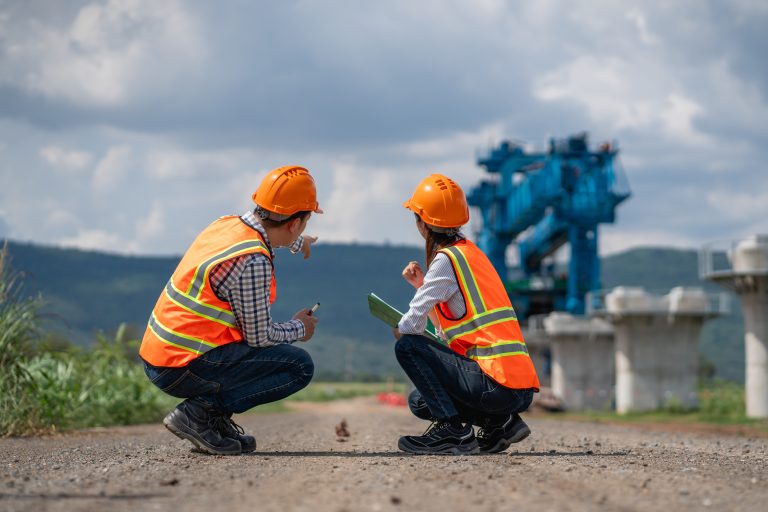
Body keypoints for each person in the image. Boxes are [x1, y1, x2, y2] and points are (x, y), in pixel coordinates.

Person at [139, 165, 322, 455]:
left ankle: (210, 420)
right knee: (299, 366)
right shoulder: (253, 261)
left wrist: (299, 242)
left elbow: (273, 231)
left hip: (159, 356)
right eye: (305, 223)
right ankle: (199, 413)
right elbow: (259, 337)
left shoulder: (225, 224)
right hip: (183, 366)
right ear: (295, 223)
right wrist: (301, 328)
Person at [394, 174, 540, 455]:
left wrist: (400, 324)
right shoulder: (473, 255)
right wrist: (421, 286)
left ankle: (454, 432)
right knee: (420, 402)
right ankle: (500, 423)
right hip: (517, 389)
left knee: (407, 346)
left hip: (496, 384)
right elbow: (450, 332)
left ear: (423, 224)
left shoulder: (445, 260)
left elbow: (409, 325)